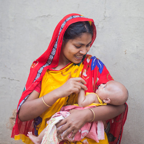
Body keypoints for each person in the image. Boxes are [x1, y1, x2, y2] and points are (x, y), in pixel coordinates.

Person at [11, 13, 128, 144]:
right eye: (78, 46)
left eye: (88, 45)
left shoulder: (93, 65)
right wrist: (59, 92)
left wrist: (86, 115)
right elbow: (23, 114)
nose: (84, 51)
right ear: (61, 41)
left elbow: (119, 106)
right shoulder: (43, 70)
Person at [26, 80, 128, 144]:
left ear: (107, 100)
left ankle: (39, 139)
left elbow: (82, 103)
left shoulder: (94, 96)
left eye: (104, 87)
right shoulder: (104, 105)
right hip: (86, 128)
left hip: (74, 118)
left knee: (54, 124)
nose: (101, 85)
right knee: (60, 134)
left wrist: (81, 89)